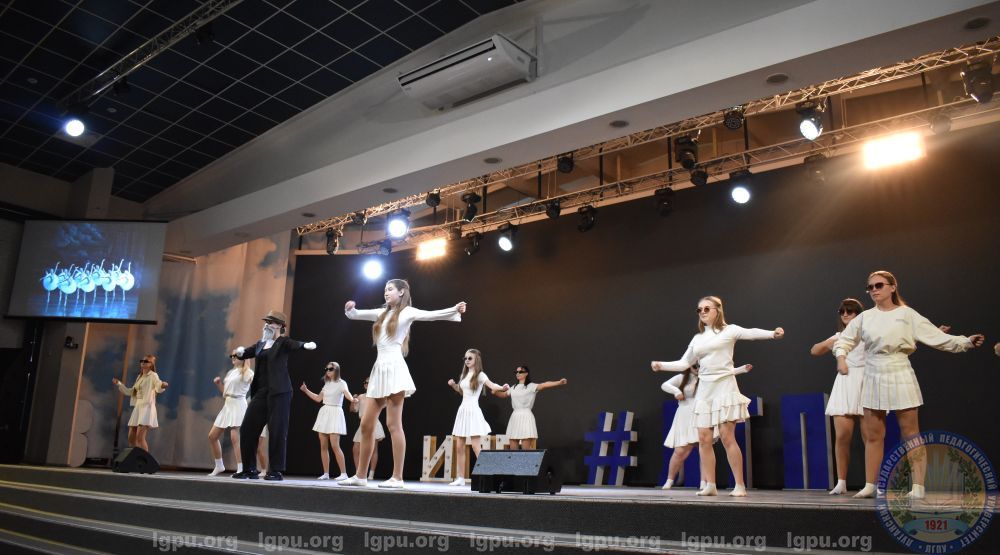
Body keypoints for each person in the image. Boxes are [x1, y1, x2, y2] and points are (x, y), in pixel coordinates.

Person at [833, 271, 985, 499]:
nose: (874, 290)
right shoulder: (864, 318)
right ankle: (870, 485)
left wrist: (965, 342)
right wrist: (841, 358)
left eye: (879, 285)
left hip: (900, 371)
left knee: (910, 433)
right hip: (873, 373)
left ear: (892, 287)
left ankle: (918, 487)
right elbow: (844, 341)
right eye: (870, 287)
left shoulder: (907, 314)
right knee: (873, 434)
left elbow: (937, 337)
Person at [339, 279, 467, 489]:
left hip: (395, 369)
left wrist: (455, 309)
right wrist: (350, 309)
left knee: (393, 425)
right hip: (379, 370)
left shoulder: (407, 312)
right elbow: (356, 314)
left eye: (390, 289)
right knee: (366, 425)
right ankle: (360, 476)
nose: (386, 292)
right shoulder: (381, 313)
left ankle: (397, 477)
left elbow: (431, 315)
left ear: (401, 292)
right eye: (385, 289)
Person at [652, 295, 784, 497]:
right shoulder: (698, 338)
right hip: (705, 391)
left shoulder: (729, 330)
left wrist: (772, 334)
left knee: (726, 436)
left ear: (718, 310)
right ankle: (710, 485)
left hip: (724, 387)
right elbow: (684, 363)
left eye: (707, 308)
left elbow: (751, 333)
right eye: (699, 309)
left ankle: (739, 485)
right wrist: (661, 365)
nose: (702, 312)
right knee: (703, 439)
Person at [232, 310, 316, 481]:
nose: (267, 325)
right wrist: (240, 352)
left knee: (277, 430)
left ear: (280, 326)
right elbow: (246, 353)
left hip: (280, 392)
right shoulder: (260, 344)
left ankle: (275, 470)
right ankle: (249, 469)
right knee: (248, 428)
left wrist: (305, 345)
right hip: (262, 392)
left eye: (271, 322)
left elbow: (294, 344)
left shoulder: (283, 342)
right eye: (266, 322)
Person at [660, 363, 751, 490]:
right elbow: (665, 385)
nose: (697, 369)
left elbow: (724, 373)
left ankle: (705, 482)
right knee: (680, 451)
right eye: (695, 367)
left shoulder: (707, 377)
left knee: (704, 447)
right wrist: (676, 391)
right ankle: (669, 480)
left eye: (700, 366)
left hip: (702, 412)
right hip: (684, 415)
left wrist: (742, 369)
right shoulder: (682, 377)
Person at [810, 298, 867, 495]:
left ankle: (873, 483)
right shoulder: (839, 336)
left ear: (858, 314)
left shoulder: (868, 333)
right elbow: (814, 350)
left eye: (850, 311)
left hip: (866, 381)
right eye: (842, 311)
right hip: (844, 383)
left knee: (870, 438)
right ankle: (841, 482)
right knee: (842, 436)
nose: (845, 314)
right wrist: (832, 341)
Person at [446, 349, 508, 486]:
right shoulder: (464, 375)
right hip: (463, 411)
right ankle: (460, 478)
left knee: (475, 446)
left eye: (470, 358)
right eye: (465, 358)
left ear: (476, 360)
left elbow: (492, 385)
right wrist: (454, 385)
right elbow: (462, 391)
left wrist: (502, 388)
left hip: (473, 411)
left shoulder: (480, 375)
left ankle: (487, 474)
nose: (467, 360)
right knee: (459, 446)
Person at [490, 365, 567, 450]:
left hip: (526, 416)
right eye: (516, 372)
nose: (518, 373)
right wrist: (495, 392)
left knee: (525, 451)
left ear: (526, 373)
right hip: (515, 416)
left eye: (520, 372)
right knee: (513, 450)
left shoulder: (531, 386)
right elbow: (503, 395)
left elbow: (544, 384)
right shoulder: (513, 387)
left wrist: (559, 382)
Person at [300, 362, 355, 481]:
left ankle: (344, 473)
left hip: (335, 412)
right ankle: (326, 473)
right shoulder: (327, 384)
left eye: (331, 369)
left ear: (337, 370)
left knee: (335, 445)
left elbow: (347, 394)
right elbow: (318, 398)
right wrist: (306, 390)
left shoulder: (342, 383)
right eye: (327, 369)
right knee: (323, 446)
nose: (328, 371)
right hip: (325, 412)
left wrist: (352, 399)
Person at [208, 350, 254, 476]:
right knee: (212, 436)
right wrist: (219, 384)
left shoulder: (247, 371)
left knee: (235, 437)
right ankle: (219, 465)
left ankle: (241, 468)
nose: (233, 357)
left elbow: (255, 384)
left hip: (239, 404)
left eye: (236, 355)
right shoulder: (231, 372)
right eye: (232, 355)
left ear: (243, 357)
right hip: (228, 405)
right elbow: (225, 393)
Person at [113, 355, 168, 453]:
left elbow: (158, 386)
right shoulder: (139, 377)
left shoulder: (153, 375)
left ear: (151, 364)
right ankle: (135, 458)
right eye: (142, 360)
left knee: (139, 438)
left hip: (147, 408)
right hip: (138, 408)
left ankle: (145, 460)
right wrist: (119, 384)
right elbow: (130, 392)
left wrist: (163, 385)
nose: (143, 362)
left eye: (146, 361)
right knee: (131, 439)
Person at [350, 377, 384, 479]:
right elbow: (353, 410)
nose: (366, 384)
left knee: (373, 449)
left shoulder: (377, 396)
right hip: (362, 423)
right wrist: (353, 401)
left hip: (373, 422)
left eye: (369, 382)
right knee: (356, 448)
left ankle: (371, 473)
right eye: (365, 382)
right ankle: (359, 473)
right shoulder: (361, 396)